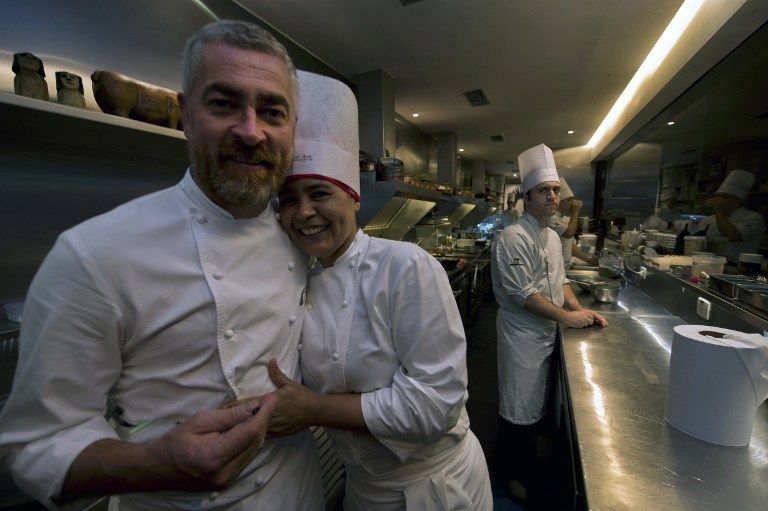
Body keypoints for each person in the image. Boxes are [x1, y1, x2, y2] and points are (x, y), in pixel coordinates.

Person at [0, 20, 324, 510]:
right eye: (223, 104)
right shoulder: (95, 253)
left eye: (272, 112)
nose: (251, 131)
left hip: (296, 493)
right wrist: (153, 463)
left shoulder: (303, 236)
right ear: (185, 116)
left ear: (291, 129)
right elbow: (33, 445)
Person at [266, 71, 493, 510]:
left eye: (319, 194)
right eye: (289, 200)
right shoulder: (299, 281)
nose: (304, 212)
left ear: (353, 197)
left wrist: (313, 409)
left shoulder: (405, 266)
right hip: (365, 490)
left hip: (436, 488)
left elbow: (434, 404)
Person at [491, 143, 607, 503]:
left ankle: (529, 466)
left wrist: (579, 311)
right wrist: (567, 317)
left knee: (536, 407)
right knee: (517, 406)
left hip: (547, 330)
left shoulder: (553, 237)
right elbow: (525, 295)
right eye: (544, 191)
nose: (553, 197)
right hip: (522, 334)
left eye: (556, 190)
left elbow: (560, 282)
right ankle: (509, 473)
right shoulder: (513, 237)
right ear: (527, 196)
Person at [696, 169, 766, 260]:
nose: (718, 199)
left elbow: (734, 236)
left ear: (738, 200)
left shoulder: (754, 218)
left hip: (738, 268)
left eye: (724, 197)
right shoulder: (707, 220)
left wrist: (718, 211)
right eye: (717, 196)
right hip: (708, 264)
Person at [548, 177, 598, 267]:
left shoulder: (565, 219)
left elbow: (570, 246)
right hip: (555, 266)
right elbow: (569, 233)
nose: (573, 202)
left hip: (565, 265)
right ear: (560, 201)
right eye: (570, 199)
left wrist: (588, 260)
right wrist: (575, 211)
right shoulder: (550, 218)